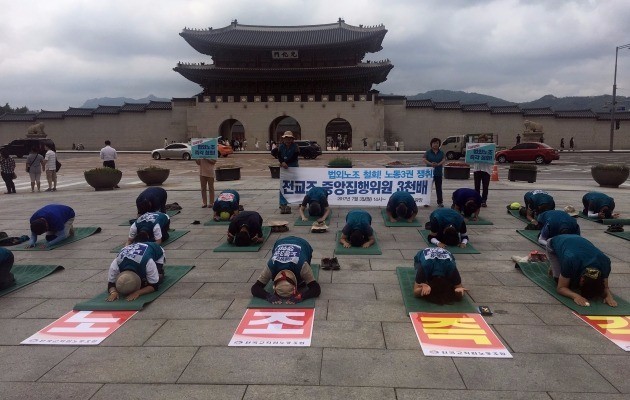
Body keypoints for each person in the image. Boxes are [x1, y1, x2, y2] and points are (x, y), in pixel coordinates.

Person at [547, 234, 616, 307]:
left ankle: (562, 266)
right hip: (554, 243)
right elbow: (561, 288)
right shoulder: (570, 260)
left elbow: (605, 286)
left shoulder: (605, 262)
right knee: (560, 280)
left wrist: (608, 296)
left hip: (576, 242)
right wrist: (576, 296)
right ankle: (557, 263)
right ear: (581, 280)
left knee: (569, 277)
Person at [251, 236, 320, 304]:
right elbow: (255, 288)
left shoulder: (303, 266)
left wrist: (301, 296)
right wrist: (267, 296)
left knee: (303, 283)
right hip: (280, 243)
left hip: (303, 244)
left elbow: (316, 289)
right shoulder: (271, 266)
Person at [277, 131, 300, 214]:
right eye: (286, 138)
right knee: (283, 186)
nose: (288, 140)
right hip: (284, 168)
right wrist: (282, 162)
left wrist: (285, 162)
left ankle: (300, 201)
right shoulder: (281, 146)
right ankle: (283, 203)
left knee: (297, 185)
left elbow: (295, 156)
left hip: (293, 167)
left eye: (289, 138)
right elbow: (279, 155)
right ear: (284, 139)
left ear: (292, 139)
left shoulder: (295, 146)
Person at [422, 138, 445, 208]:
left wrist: (438, 164)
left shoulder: (441, 153)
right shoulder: (428, 152)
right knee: (428, 188)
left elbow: (444, 159)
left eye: (437, 143)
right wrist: (431, 164)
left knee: (439, 188)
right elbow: (424, 159)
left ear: (439, 144)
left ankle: (440, 202)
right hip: (429, 173)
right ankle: (426, 202)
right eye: (434, 143)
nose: (435, 144)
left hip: (438, 173)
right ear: (431, 144)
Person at [471, 135, 491, 207]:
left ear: (486, 141)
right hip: (477, 169)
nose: (482, 142)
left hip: (486, 170)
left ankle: (484, 200)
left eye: (483, 140)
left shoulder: (489, 148)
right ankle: (477, 200)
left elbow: (492, 159)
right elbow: (471, 157)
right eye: (480, 140)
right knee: (477, 186)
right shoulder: (475, 148)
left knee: (485, 187)